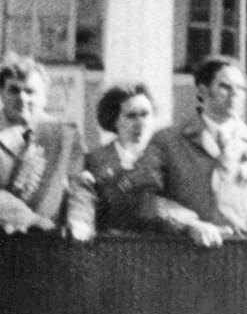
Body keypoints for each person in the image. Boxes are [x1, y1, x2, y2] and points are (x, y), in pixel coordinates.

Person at [137, 56, 247, 247]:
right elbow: (147, 199)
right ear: (202, 91)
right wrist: (189, 224)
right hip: (190, 250)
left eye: (241, 88)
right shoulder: (167, 141)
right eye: (225, 87)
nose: (235, 94)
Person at [0, 53, 86, 236]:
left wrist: (79, 221)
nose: (22, 98)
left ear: (45, 97)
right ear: (1, 93)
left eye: (30, 91)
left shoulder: (66, 136)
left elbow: (80, 187)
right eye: (14, 90)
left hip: (49, 241)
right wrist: (33, 221)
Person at [65, 82, 155, 241]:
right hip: (109, 247)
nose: (140, 123)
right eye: (131, 116)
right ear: (114, 120)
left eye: (145, 114)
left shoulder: (162, 160)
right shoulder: (94, 161)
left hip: (156, 247)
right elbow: (83, 198)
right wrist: (80, 223)